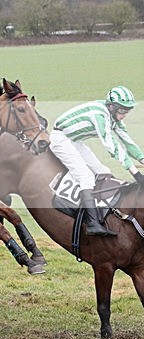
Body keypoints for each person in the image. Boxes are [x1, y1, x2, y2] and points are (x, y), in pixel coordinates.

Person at [49, 86, 144, 237]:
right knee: (85, 176)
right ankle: (92, 224)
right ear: (112, 106)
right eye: (122, 110)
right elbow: (111, 145)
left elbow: (128, 143)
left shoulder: (114, 116)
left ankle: (102, 212)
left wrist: (142, 160)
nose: (125, 114)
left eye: (128, 110)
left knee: (103, 171)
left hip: (74, 141)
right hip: (60, 139)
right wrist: (136, 173)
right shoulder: (99, 114)